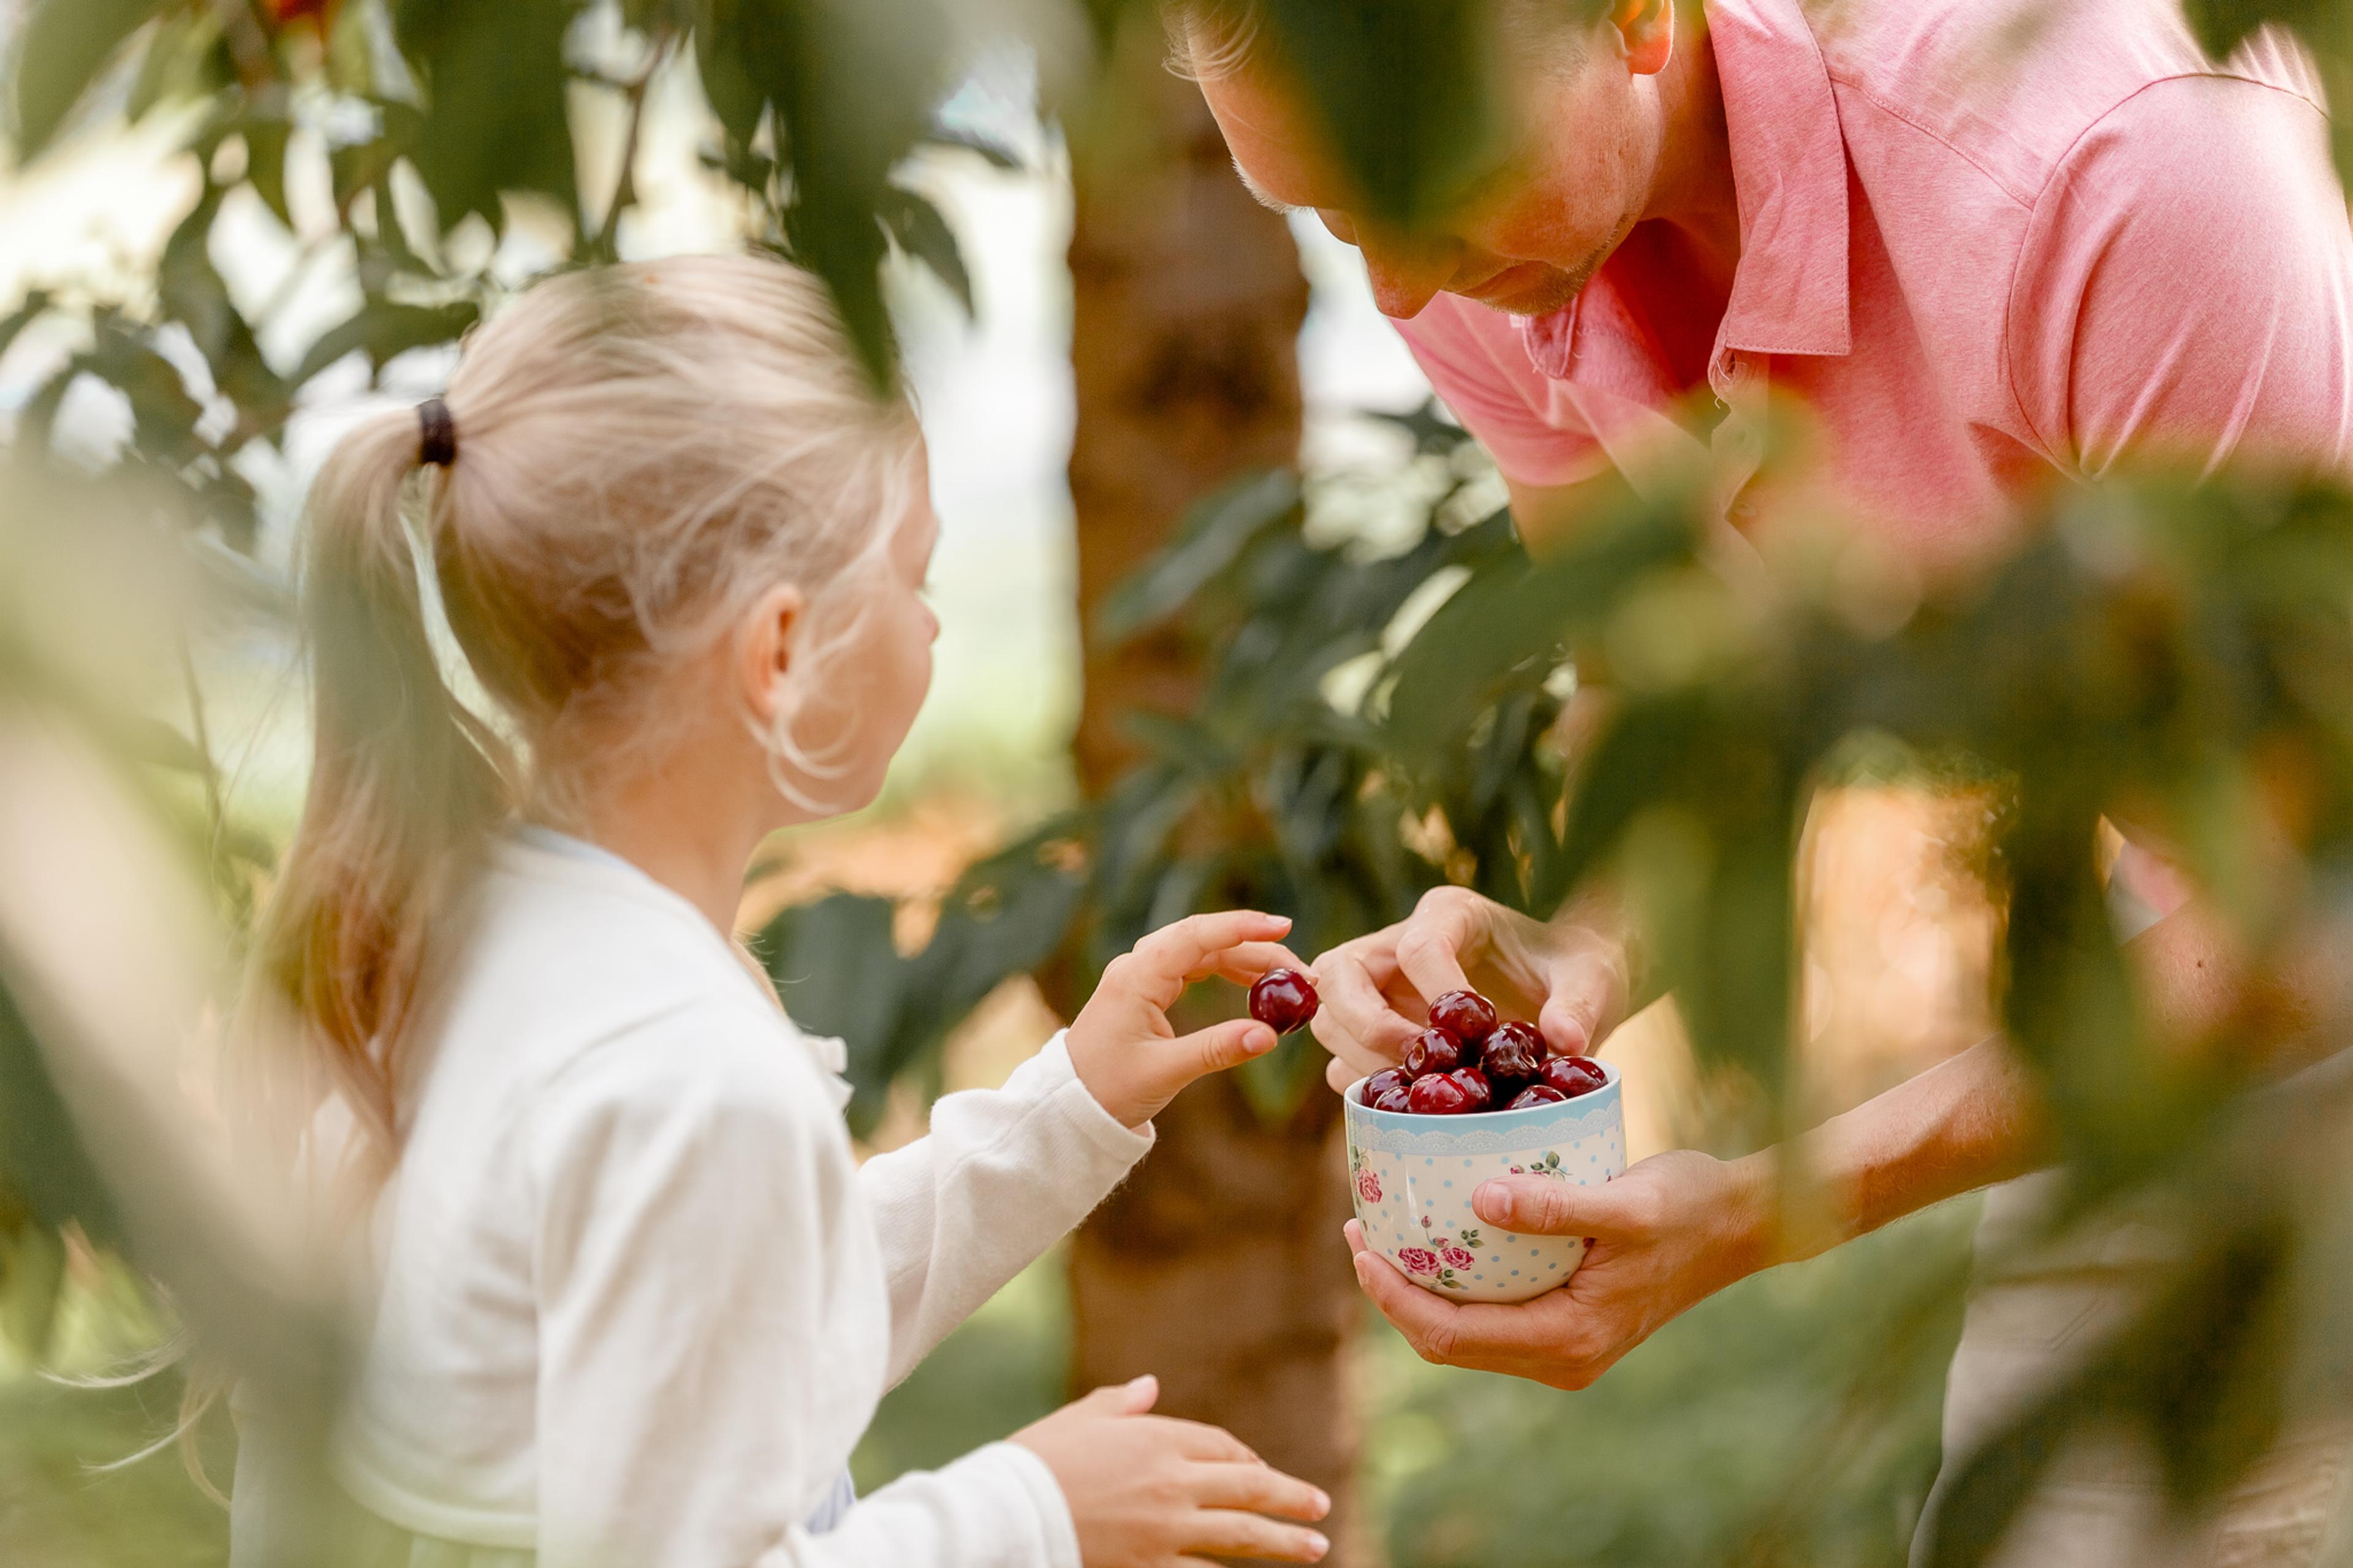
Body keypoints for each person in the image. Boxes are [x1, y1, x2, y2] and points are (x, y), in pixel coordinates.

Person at [1174, 0, 2353, 1558]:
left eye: (1421, 181)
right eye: (1331, 215)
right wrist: (1581, 947)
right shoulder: (1484, 254)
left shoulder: (2107, 172)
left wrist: (1769, 1205)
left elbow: (2308, 908)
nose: (1393, 283)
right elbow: (1674, 694)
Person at [228, 256, 1335, 1568]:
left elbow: (726, 1324)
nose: (932, 626)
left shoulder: (466, 937)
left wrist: (1067, 1109)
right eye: (913, 579)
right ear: (781, 653)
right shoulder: (684, 1072)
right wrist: (1033, 1511)